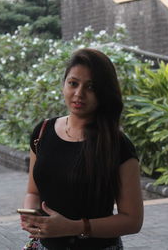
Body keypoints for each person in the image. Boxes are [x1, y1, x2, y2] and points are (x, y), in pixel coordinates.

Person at [20, 48, 143, 250]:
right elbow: (33, 191)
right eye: (73, 83)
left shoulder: (117, 145)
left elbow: (132, 220)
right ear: (64, 84)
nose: (79, 94)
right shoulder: (43, 132)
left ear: (104, 92)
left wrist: (74, 227)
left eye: (91, 87)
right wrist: (31, 213)